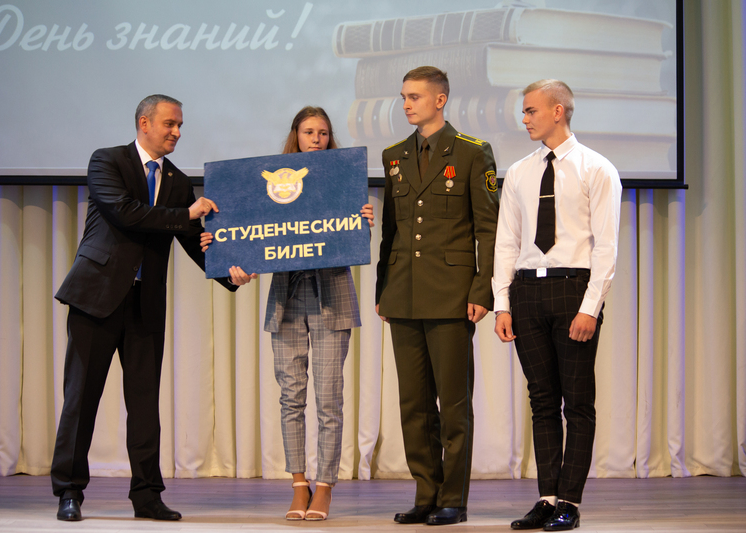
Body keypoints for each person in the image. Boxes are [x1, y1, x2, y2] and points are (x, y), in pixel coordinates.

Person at [51, 94, 256, 522]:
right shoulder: (107, 161)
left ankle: (147, 496)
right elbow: (126, 213)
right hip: (96, 297)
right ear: (144, 123)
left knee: (145, 406)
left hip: (144, 305)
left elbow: (195, 241)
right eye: (169, 124)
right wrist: (185, 214)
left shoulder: (178, 182)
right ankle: (69, 491)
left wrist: (229, 273)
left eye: (180, 125)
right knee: (81, 398)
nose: (177, 132)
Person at [201, 106, 374, 521]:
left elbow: (351, 239)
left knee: (329, 398)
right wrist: (222, 248)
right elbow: (251, 234)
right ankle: (299, 484)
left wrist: (362, 222)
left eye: (323, 133)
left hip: (333, 296)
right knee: (290, 396)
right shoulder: (271, 185)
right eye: (309, 132)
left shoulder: (341, 183)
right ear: (295, 135)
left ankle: (325, 486)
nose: (316, 139)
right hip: (287, 298)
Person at [492, 79, 621, 531]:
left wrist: (591, 306)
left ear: (558, 111)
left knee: (577, 403)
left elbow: (606, 245)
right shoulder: (519, 172)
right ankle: (546, 498)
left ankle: (570, 502)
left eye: (531, 110)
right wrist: (502, 303)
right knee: (542, 400)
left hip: (573, 289)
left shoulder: (596, 168)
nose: (524, 118)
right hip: (527, 291)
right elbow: (506, 242)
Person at [375, 67, 499, 526]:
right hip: (403, 293)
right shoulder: (394, 155)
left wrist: (482, 288)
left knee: (454, 404)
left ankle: (453, 498)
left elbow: (488, 228)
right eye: (403, 97)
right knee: (414, 405)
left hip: (451, 295)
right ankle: (425, 493)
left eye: (415, 97)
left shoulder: (471, 152)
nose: (406, 104)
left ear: (440, 99)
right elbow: (391, 230)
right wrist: (383, 289)